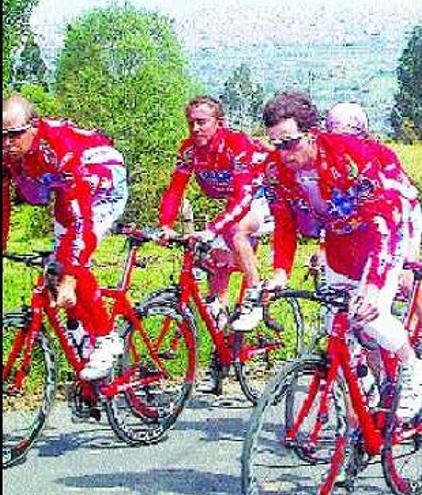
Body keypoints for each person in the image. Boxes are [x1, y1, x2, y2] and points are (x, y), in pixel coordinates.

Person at [260, 91, 422, 420]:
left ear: (312, 134)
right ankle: (364, 391)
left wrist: (373, 286)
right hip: (340, 240)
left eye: (289, 144)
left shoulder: (348, 156)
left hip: (382, 232)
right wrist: (281, 271)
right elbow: (284, 225)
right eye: (274, 145)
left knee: (369, 312)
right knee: (335, 323)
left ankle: (413, 368)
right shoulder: (276, 170)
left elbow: (383, 222)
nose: (282, 154)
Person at [2, 94, 128, 380]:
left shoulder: (58, 147)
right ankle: (82, 334)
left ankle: (107, 337)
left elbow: (81, 221)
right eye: (2, 137)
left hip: (102, 179)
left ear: (33, 126)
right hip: (64, 189)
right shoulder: (8, 154)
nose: (8, 144)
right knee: (58, 270)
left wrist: (70, 278)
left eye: (14, 135)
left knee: (73, 260)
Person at [325, 102, 422, 341]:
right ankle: (375, 371)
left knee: (405, 278)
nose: (338, 144)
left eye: (345, 137)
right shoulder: (331, 161)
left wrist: (408, 258)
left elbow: (400, 205)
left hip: (403, 216)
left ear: (360, 134)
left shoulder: (381, 155)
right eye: (333, 137)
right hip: (366, 223)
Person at [157, 96, 270, 331]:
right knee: (216, 261)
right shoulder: (189, 150)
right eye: (190, 123)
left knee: (236, 231)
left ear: (219, 122)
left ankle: (255, 296)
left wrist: (211, 230)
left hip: (266, 195)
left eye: (202, 122)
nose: (195, 128)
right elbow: (176, 189)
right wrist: (165, 224)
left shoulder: (237, 144)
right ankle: (222, 331)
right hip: (237, 201)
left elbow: (244, 198)